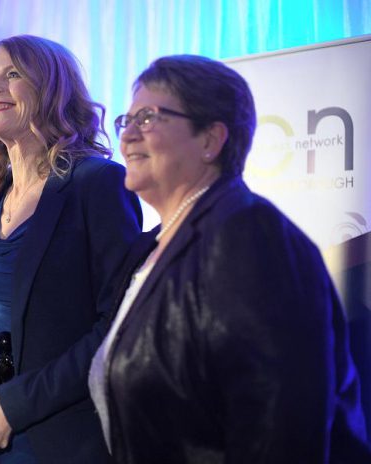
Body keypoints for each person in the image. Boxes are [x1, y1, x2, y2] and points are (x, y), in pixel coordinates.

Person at [88, 54, 371, 463]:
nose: (128, 135)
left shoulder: (249, 234)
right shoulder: (149, 249)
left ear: (210, 139)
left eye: (148, 118)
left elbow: (279, 423)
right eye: (126, 121)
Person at [0, 35, 142, 464]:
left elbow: (118, 325)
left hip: (59, 437)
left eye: (12, 74)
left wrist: (15, 407)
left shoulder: (97, 183)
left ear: (52, 87)